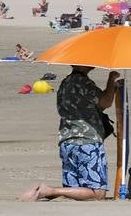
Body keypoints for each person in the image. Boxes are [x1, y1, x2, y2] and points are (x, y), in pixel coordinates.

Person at [19, 65, 121, 202]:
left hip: (67, 141)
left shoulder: (66, 82)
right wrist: (111, 78)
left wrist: (112, 89)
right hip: (87, 141)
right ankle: (48, 190)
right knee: (97, 193)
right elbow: (105, 102)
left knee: (73, 190)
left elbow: (97, 104)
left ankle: (45, 192)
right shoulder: (83, 82)